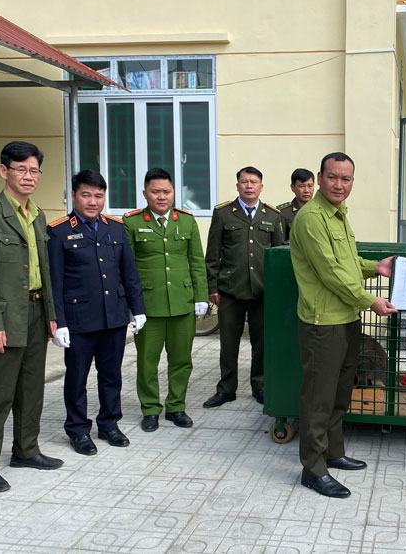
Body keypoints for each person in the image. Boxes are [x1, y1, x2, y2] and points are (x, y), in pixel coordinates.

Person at [290, 152, 396, 498]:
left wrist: (374, 268)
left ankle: (333, 453)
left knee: (339, 393)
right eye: (333, 177)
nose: (339, 184)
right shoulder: (311, 218)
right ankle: (313, 469)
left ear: (353, 181)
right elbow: (331, 272)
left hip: (346, 318)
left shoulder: (339, 214)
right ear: (319, 178)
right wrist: (370, 301)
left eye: (346, 179)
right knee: (318, 398)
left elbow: (347, 262)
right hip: (323, 323)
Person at [0, 141, 63, 493]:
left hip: (35, 314)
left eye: (34, 170)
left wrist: (51, 314)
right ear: (4, 171)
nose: (28, 176)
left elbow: (43, 269)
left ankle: (26, 450)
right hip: (1, 318)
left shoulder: (38, 214)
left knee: (31, 389)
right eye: (21, 169)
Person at [47, 170, 146, 456]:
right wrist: (59, 323)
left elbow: (129, 272)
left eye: (98, 195)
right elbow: (55, 281)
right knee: (77, 377)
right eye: (86, 195)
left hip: (113, 316)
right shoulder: (58, 230)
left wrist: (137, 309)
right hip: (79, 320)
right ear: (74, 195)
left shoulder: (115, 228)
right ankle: (78, 430)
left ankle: (109, 424)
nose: (93, 201)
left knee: (111, 375)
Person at [123, 168, 209, 432]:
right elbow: (126, 267)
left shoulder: (186, 221)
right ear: (145, 193)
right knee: (148, 361)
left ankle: (176, 407)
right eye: (155, 191)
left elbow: (196, 260)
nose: (162, 196)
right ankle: (150, 409)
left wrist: (200, 296)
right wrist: (131, 305)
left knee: (182, 360)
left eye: (167, 191)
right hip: (149, 305)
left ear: (174, 192)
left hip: (181, 302)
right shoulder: (132, 222)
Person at [203, 167, 284, 408]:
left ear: (261, 186)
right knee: (229, 343)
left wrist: (276, 290)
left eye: (254, 182)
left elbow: (278, 255)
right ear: (237, 185)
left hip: (262, 291)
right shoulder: (224, 214)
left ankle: (259, 386)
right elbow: (212, 254)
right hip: (230, 289)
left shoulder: (273, 215)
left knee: (261, 342)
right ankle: (226, 389)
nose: (249, 186)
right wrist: (213, 287)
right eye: (244, 182)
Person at [278, 168, 315, 242]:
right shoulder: (283, 213)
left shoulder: (321, 209)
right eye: (302, 186)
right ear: (292, 187)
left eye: (310, 186)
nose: (306, 190)